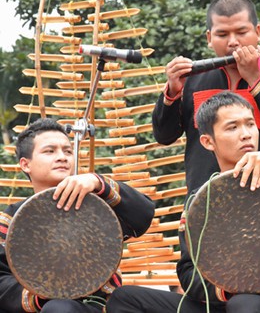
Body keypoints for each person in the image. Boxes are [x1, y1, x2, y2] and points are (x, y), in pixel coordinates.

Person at [106, 91, 260, 312]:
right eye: (232, 127)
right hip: (223, 301)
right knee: (124, 299)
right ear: (208, 142)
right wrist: (226, 288)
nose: (246, 134)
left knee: (246, 305)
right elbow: (188, 272)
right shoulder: (201, 199)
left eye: (250, 124)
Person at [152, 0, 260, 193]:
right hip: (206, 202)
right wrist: (173, 91)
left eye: (241, 32)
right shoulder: (191, 79)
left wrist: (257, 79)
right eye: (222, 34)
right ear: (209, 38)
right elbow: (163, 136)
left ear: (258, 32)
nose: (233, 42)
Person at [0, 118, 156, 312]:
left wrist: (98, 182)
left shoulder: (96, 205)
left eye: (67, 151)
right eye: (50, 151)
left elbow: (143, 215)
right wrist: (42, 293)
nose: (62, 157)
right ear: (25, 164)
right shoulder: (11, 220)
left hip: (98, 306)